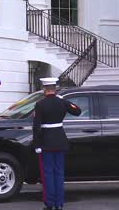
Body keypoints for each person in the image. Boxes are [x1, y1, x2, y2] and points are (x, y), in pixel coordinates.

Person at [33, 77, 81, 210]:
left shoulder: (40, 104)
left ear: (44, 89)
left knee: (48, 174)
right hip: (60, 141)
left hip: (46, 143)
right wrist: (65, 101)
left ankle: (50, 204)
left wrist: (37, 145)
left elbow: (36, 127)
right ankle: (59, 204)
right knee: (59, 174)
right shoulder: (62, 102)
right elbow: (77, 111)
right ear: (55, 89)